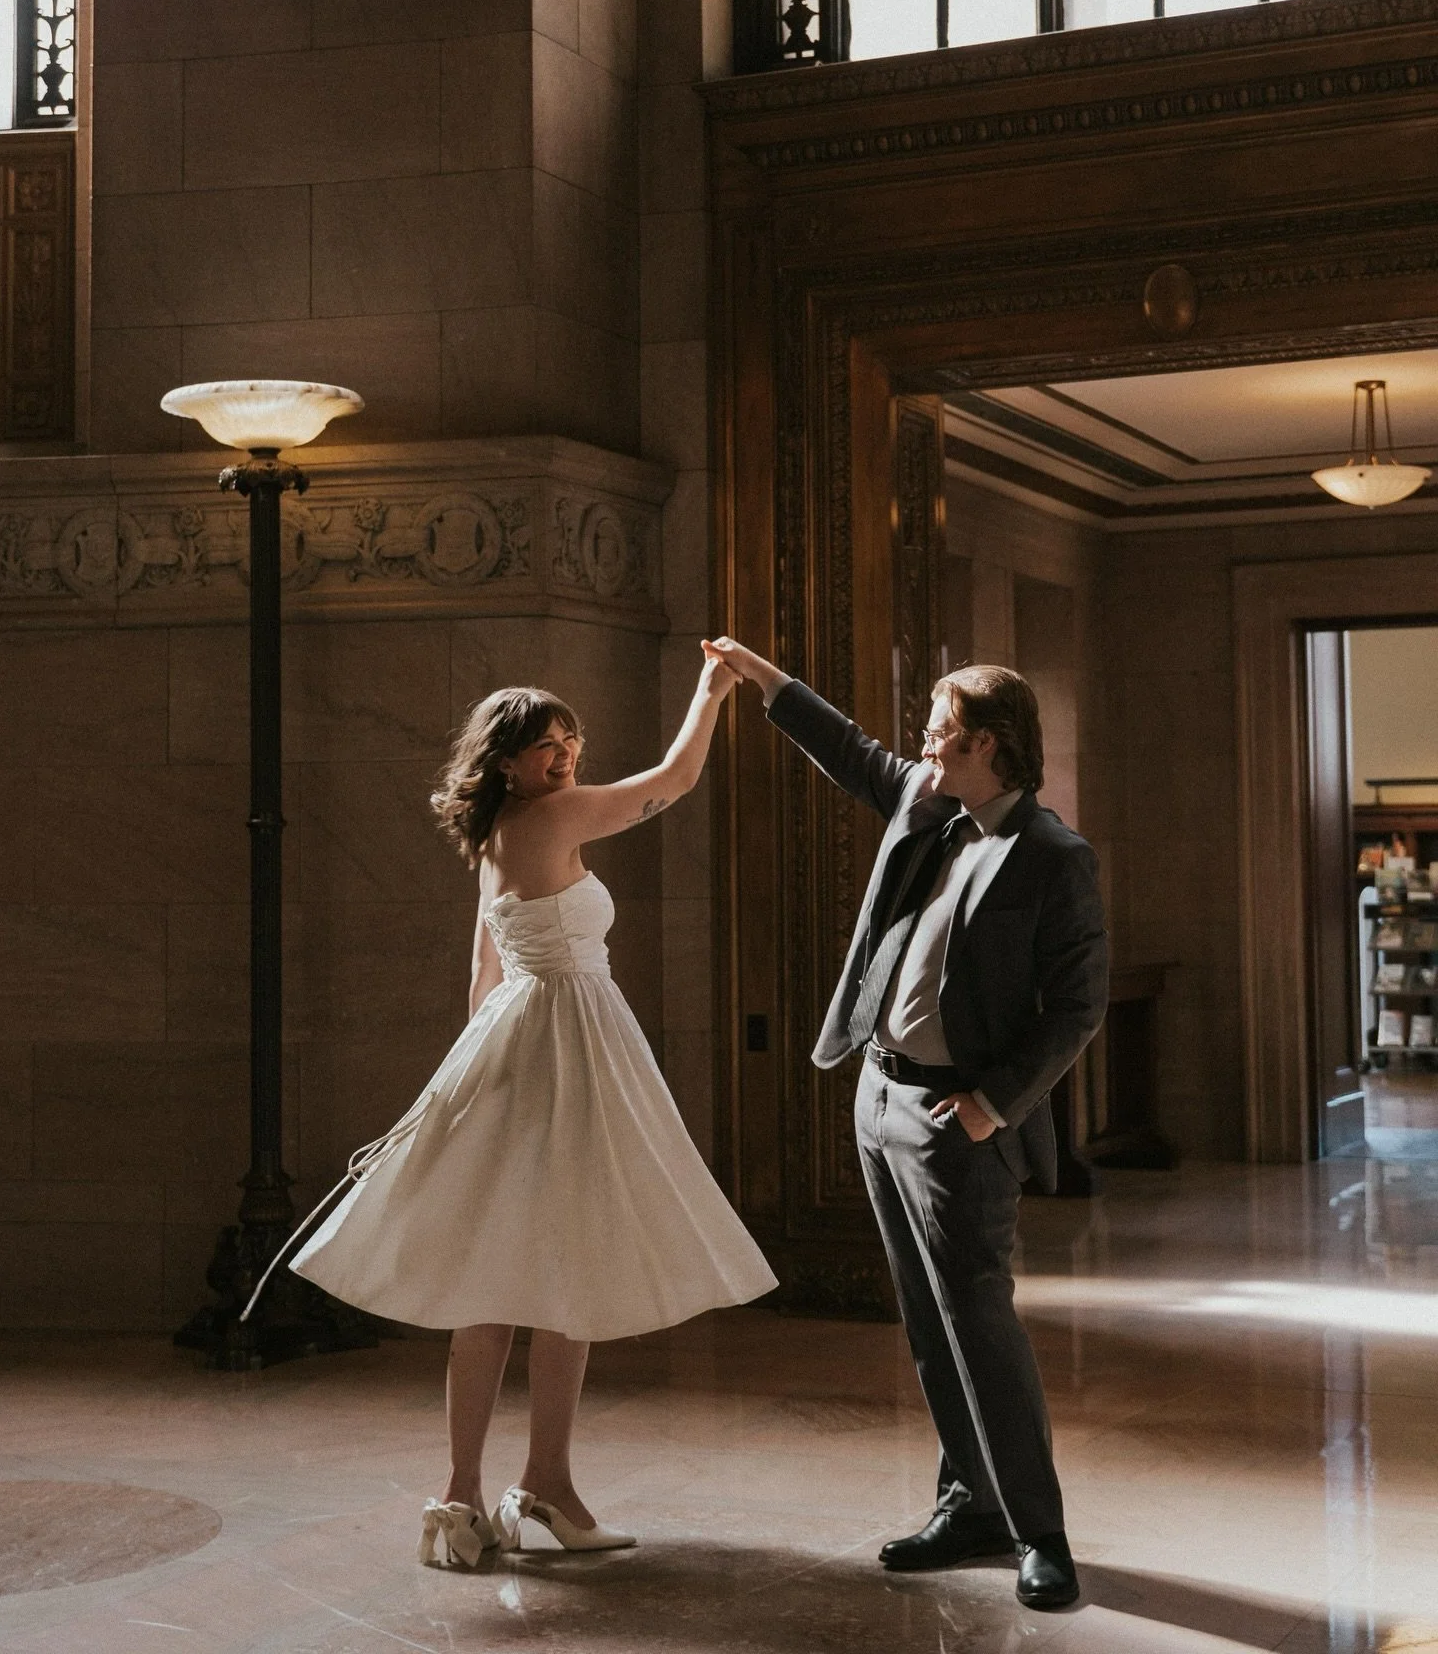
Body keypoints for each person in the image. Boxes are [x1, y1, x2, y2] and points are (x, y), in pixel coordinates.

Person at [278, 649, 777, 1567]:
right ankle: (539, 1487)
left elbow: (482, 974)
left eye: (571, 740)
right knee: (562, 1262)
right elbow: (673, 782)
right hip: (567, 1044)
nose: (566, 755)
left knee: (498, 1274)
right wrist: (710, 694)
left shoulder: (497, 833)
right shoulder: (553, 815)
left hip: (518, 1043)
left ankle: (468, 1496)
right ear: (505, 762)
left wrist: (469, 1079)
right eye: (547, 745)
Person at [708, 638, 1107, 1613]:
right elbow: (849, 749)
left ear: (987, 745)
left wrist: (990, 1104)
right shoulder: (928, 806)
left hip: (957, 1119)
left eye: (938, 735)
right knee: (929, 1323)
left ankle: (1041, 1533)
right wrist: (763, 679)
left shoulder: (1052, 857)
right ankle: (970, 1508)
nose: (921, 750)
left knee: (979, 1321)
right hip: (878, 1099)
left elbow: (1077, 1007)